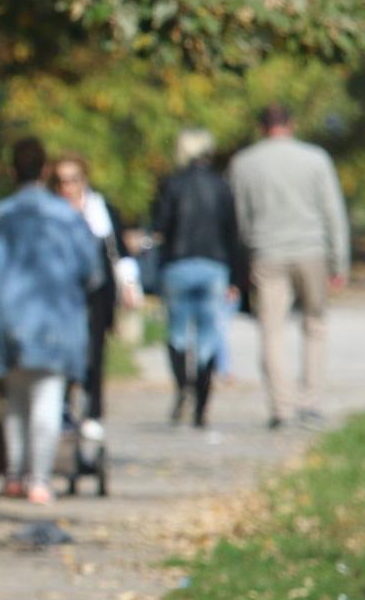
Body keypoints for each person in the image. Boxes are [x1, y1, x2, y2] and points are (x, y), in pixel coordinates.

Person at [0, 139, 104, 506]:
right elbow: (91, 271)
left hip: (8, 316)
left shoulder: (0, 216)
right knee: (48, 396)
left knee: (14, 397)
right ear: (45, 171)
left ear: (12, 171)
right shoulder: (66, 217)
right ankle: (40, 479)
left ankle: (14, 474)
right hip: (56, 317)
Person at [229, 103, 350, 429]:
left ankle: (280, 408)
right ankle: (309, 402)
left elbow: (240, 219)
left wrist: (242, 262)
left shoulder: (244, 163)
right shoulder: (315, 159)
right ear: (291, 125)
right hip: (311, 249)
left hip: (266, 252)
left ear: (261, 127)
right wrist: (340, 262)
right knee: (315, 325)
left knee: (271, 330)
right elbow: (332, 212)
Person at [149, 128, 246, 428]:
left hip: (177, 265)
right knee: (208, 336)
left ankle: (183, 388)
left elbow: (160, 225)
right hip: (214, 266)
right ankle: (201, 406)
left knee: (177, 333)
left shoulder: (171, 185)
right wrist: (237, 278)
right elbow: (233, 234)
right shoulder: (221, 186)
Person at [45, 155, 140, 444]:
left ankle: (92, 413)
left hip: (97, 291)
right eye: (61, 181)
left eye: (73, 180)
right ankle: (60, 409)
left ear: (83, 180)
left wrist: (129, 285)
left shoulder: (101, 211)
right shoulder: (50, 213)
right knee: (60, 350)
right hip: (60, 292)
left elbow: (118, 251)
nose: (67, 187)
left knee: (94, 350)